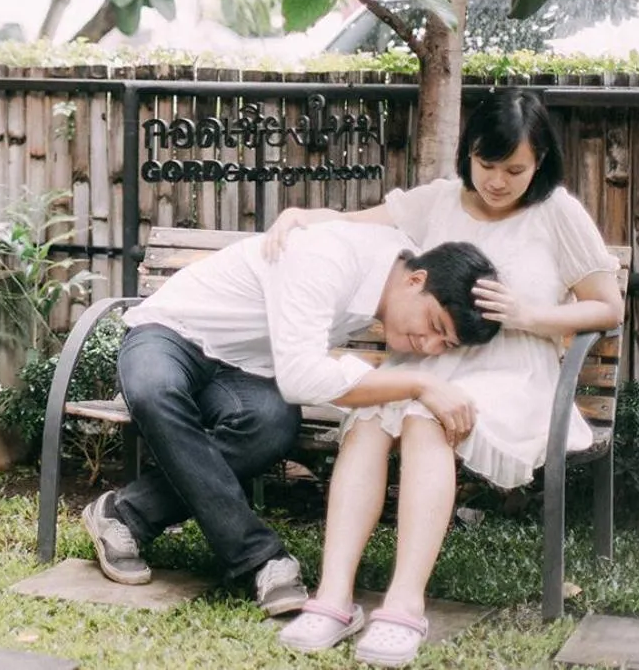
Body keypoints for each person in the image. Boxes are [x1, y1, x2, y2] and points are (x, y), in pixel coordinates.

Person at [271, 89, 624, 666]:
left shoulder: (556, 213)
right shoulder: (437, 202)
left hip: (515, 374)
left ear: (539, 163)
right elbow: (356, 225)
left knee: (422, 415)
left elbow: (607, 307)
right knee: (368, 417)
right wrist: (303, 216)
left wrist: (529, 316)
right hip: (430, 364)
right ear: (469, 154)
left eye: (515, 169)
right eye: (487, 165)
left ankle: (404, 605)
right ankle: (333, 596)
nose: (498, 182)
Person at [80, 221, 500, 620]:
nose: (427, 345)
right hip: (171, 332)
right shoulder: (329, 259)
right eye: (433, 325)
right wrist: (418, 385)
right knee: (155, 390)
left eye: (443, 343)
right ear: (415, 279)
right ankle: (260, 559)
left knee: (272, 425)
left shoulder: (390, 263)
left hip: (243, 370)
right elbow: (301, 377)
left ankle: (125, 513)